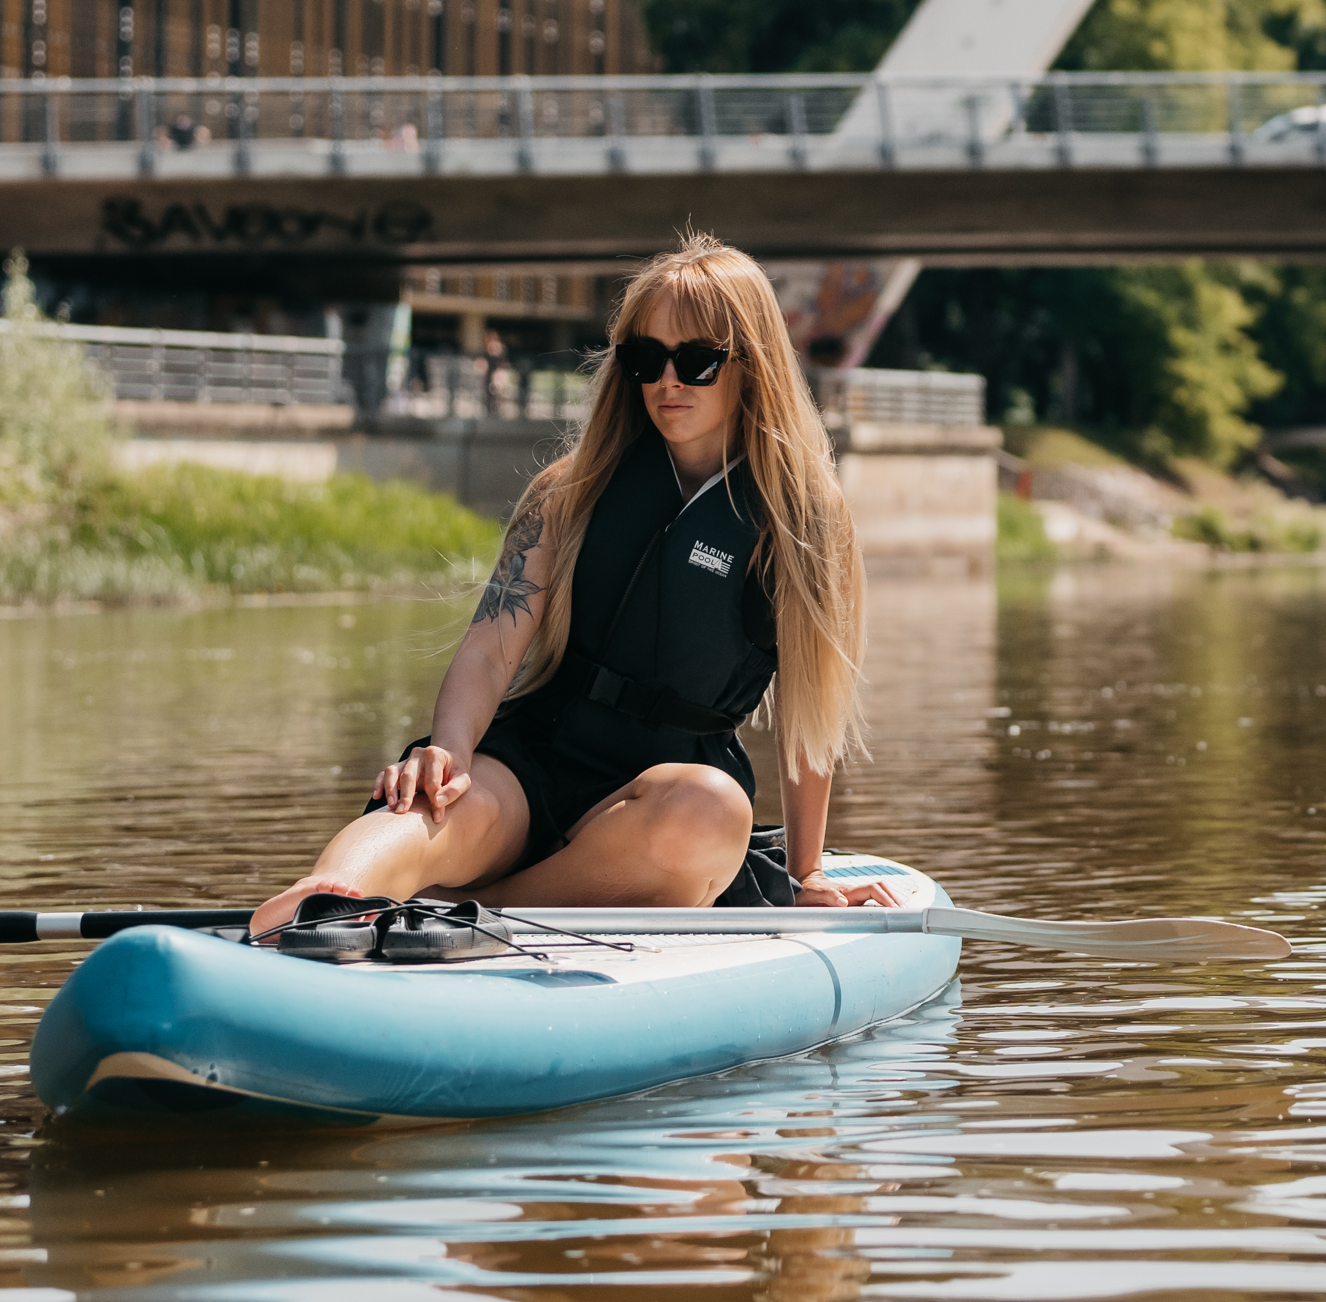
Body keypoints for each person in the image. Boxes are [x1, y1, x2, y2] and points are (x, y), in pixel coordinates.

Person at [251, 237, 889, 930]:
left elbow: (807, 720)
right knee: (434, 804)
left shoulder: (803, 520)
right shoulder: (568, 492)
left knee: (714, 812)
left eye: (696, 360)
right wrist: (450, 752)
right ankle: (323, 904)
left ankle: (464, 915)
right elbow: (492, 648)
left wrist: (807, 873)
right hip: (537, 759)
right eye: (645, 358)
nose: (666, 381)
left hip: (668, 798)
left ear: (751, 366)